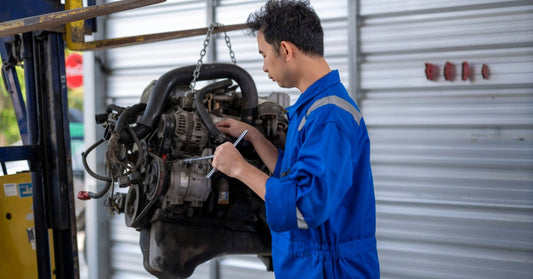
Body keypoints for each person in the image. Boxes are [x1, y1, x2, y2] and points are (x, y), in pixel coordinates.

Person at [211, 0, 380, 278]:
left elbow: (303, 205)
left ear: (286, 50)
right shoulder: (314, 108)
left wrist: (240, 169)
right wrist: (253, 136)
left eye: (264, 54)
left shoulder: (329, 117)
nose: (264, 67)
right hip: (311, 264)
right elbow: (292, 177)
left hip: (328, 269)